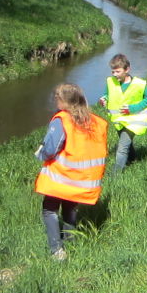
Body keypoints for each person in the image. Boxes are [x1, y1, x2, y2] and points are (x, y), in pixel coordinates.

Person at [34, 83, 108, 260]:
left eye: (56, 98)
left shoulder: (63, 120)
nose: (55, 101)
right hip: (83, 179)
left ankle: (57, 250)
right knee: (70, 207)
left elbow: (51, 148)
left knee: (49, 209)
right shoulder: (95, 121)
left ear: (63, 101)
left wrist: (40, 153)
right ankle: (71, 242)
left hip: (62, 177)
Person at [99, 53, 147, 173]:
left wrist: (133, 108)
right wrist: (104, 100)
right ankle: (133, 159)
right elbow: (107, 95)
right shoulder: (110, 82)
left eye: (118, 71)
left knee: (122, 148)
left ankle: (115, 175)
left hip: (133, 121)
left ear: (127, 69)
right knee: (127, 145)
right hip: (119, 120)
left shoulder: (139, 84)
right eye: (113, 72)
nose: (114, 74)